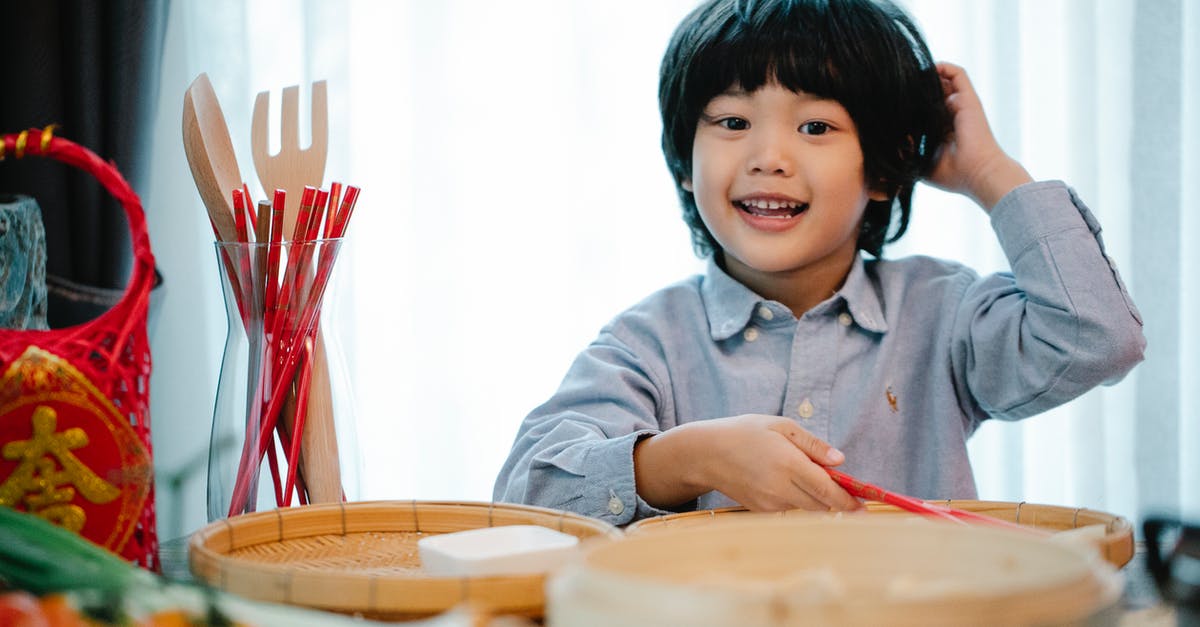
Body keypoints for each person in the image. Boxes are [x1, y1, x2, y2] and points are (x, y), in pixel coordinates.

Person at [493, 0, 1146, 525]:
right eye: (731, 121)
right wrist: (691, 457)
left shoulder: (942, 313)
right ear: (685, 163)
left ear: (885, 168)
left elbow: (1099, 336)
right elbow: (530, 487)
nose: (768, 156)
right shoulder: (649, 343)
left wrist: (988, 172)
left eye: (815, 127)